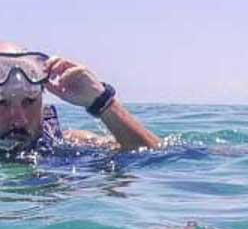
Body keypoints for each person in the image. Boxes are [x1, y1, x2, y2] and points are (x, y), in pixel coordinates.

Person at [0, 42, 160, 159]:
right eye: (2, 103)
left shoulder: (71, 145)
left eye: (29, 101)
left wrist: (101, 101)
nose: (19, 119)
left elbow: (153, 155)